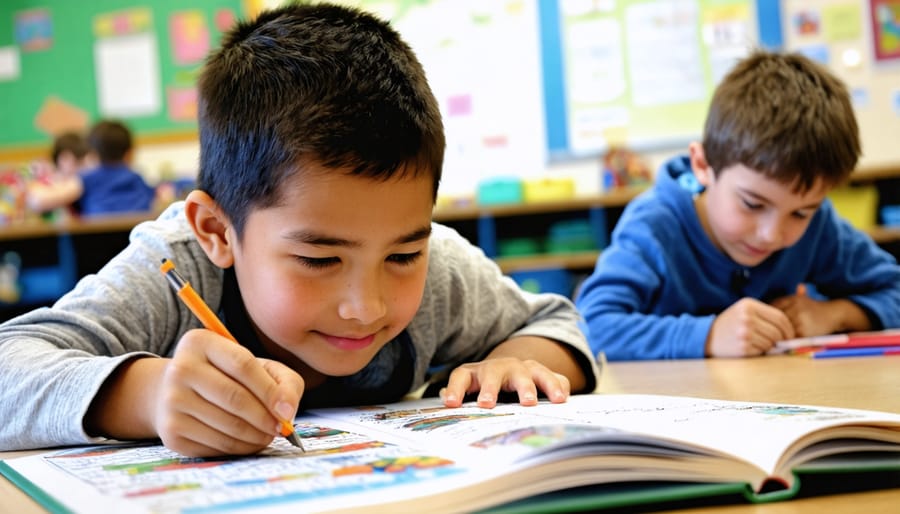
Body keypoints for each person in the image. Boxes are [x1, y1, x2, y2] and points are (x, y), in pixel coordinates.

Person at [0, 3, 599, 457]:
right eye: (318, 260)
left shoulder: (437, 267)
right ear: (217, 230)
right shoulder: (177, 269)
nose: (366, 307)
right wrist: (145, 396)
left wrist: (519, 358)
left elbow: (556, 321)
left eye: (403, 254)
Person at [575, 49, 900, 361]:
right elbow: (590, 327)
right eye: (752, 204)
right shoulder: (655, 226)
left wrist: (837, 314)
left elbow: (893, 287)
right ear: (703, 165)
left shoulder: (819, 226)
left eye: (800, 213)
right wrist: (709, 335)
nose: (771, 235)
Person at [76, 119, 156, 216]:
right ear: (129, 154)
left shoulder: (87, 179)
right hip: (135, 229)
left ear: (93, 154)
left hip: (98, 230)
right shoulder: (137, 178)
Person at [24, 130, 92, 215]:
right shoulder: (45, 181)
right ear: (63, 158)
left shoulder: (80, 180)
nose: (82, 168)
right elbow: (35, 200)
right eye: (78, 163)